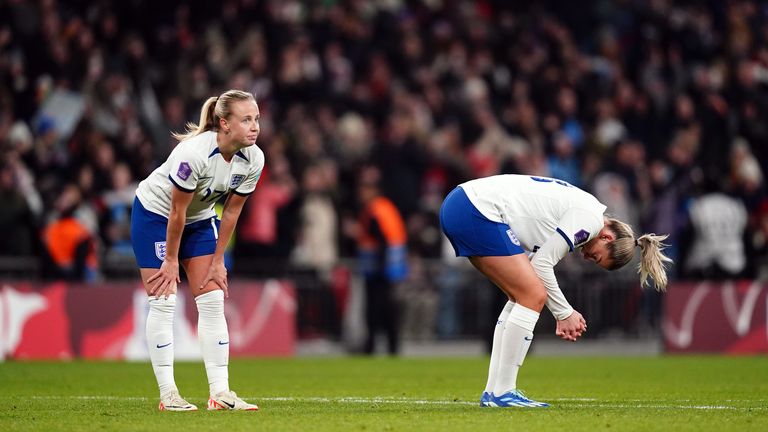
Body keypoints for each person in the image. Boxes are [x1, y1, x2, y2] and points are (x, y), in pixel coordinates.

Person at [439, 174, 672, 408]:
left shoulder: (582, 211)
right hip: (476, 209)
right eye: (597, 256)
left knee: (521, 296)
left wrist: (561, 309)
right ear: (607, 236)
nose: (588, 257)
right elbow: (541, 266)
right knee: (532, 295)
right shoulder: (589, 221)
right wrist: (564, 313)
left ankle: (493, 392)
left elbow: (535, 265)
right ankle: (503, 392)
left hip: (464, 203)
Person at [130, 89, 263, 412]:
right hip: (156, 216)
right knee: (163, 300)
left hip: (200, 219)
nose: (255, 126)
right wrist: (171, 261)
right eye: (246, 119)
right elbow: (176, 212)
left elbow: (230, 213)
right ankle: (169, 394)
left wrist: (218, 261)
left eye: (256, 119)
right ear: (224, 124)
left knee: (213, 299)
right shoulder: (193, 153)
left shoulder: (253, 158)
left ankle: (221, 393)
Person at [355, 166, 408, 355]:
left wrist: (380, 267)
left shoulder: (375, 211)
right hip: (392, 268)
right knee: (388, 309)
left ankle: (372, 346)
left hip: (379, 270)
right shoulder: (386, 208)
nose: (361, 193)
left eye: (365, 188)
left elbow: (381, 241)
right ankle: (392, 346)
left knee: (375, 310)